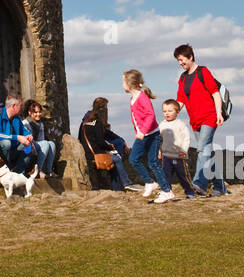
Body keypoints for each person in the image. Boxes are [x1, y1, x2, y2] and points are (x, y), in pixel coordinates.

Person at [175, 44, 228, 196]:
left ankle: (199, 184)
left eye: (182, 59)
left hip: (209, 116)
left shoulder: (203, 71)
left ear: (190, 57)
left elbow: (215, 93)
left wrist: (219, 113)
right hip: (195, 120)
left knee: (202, 148)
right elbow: (181, 100)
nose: (180, 63)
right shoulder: (183, 77)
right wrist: (171, 114)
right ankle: (220, 187)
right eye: (178, 61)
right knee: (208, 152)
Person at [123, 69, 175, 203]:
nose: (122, 84)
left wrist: (142, 131)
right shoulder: (132, 98)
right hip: (144, 134)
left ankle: (161, 188)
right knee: (148, 162)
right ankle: (162, 188)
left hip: (149, 134)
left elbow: (150, 115)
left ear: (130, 84)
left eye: (123, 81)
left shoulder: (142, 97)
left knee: (136, 159)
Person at [79, 98, 136, 191]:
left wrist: (120, 141)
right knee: (117, 159)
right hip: (95, 154)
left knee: (115, 156)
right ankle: (126, 183)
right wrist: (110, 147)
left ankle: (118, 188)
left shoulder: (86, 122)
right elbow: (101, 142)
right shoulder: (97, 123)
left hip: (87, 151)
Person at [157, 99, 197, 199]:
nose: (167, 113)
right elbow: (159, 140)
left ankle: (190, 192)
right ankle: (167, 192)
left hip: (179, 156)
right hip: (166, 156)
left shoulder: (180, 124)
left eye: (170, 111)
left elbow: (186, 138)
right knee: (166, 175)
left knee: (183, 176)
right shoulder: (162, 125)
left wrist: (183, 151)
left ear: (177, 112)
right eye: (165, 111)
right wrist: (159, 151)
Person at [0, 96, 36, 175]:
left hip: (14, 150)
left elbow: (24, 131)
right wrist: (16, 137)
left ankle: (18, 173)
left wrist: (29, 136)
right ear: (13, 106)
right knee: (7, 143)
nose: (21, 108)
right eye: (20, 106)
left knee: (29, 147)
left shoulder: (17, 117)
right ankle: (7, 169)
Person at [23, 99, 58, 178]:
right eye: (35, 112)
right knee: (45, 143)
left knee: (51, 144)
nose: (38, 114)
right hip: (28, 146)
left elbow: (41, 139)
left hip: (37, 144)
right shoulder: (25, 123)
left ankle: (48, 171)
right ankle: (38, 171)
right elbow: (27, 140)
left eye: (39, 112)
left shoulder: (41, 124)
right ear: (30, 113)